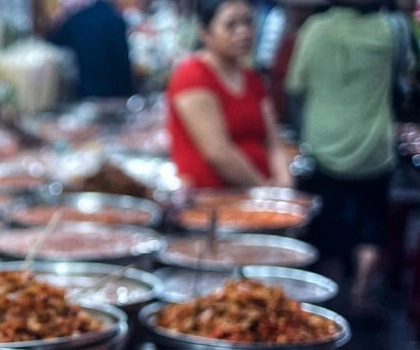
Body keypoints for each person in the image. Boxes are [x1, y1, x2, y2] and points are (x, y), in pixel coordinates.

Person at [286, 0, 395, 304]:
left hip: (326, 144)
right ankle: (362, 287)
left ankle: (330, 291)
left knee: (330, 221)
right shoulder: (386, 30)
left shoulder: (316, 29)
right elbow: (405, 79)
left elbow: (296, 85)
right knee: (371, 221)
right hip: (375, 144)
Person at [166, 0, 292, 189]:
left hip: (261, 197)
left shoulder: (252, 78)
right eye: (231, 25)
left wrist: (284, 185)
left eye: (248, 22)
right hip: (216, 200)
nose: (243, 32)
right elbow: (219, 153)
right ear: (205, 33)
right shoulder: (192, 75)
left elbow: (273, 142)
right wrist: (264, 190)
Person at [44, 0, 136, 99]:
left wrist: (59, 19)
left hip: (89, 92)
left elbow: (52, 41)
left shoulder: (75, 20)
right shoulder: (113, 15)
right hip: (119, 92)